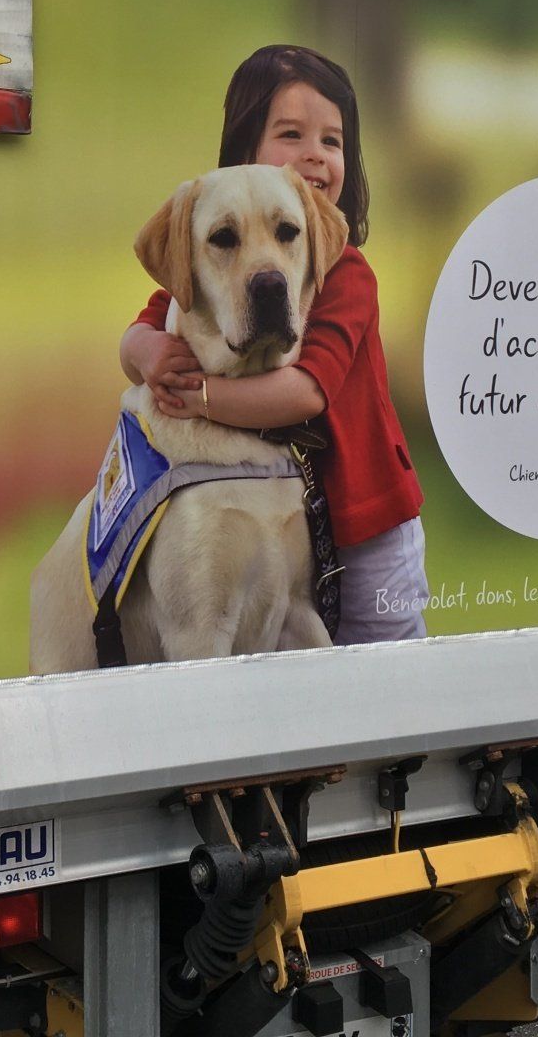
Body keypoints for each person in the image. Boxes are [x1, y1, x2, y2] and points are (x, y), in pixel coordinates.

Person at [119, 44, 429, 644]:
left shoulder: (344, 274)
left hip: (368, 525)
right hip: (290, 519)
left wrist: (197, 396)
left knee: (385, 680)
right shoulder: (209, 263)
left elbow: (305, 391)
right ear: (244, 156)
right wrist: (146, 355)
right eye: (292, 133)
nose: (315, 154)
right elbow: (148, 325)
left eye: (333, 141)